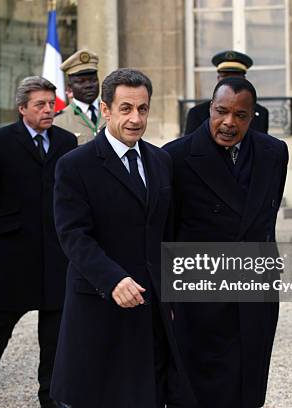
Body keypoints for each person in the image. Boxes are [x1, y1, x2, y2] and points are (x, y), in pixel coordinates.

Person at [50, 68, 193, 408]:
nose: (135, 118)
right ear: (106, 109)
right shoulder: (75, 165)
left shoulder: (161, 161)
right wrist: (113, 280)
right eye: (126, 108)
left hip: (151, 309)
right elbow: (73, 236)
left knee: (150, 394)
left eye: (142, 109)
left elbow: (166, 233)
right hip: (100, 306)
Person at [163, 77, 288, 408]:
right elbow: (166, 231)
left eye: (240, 115)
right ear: (209, 109)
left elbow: (267, 217)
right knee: (197, 387)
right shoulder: (175, 157)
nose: (229, 123)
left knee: (249, 380)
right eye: (221, 112)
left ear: (252, 117)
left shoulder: (274, 152)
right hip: (199, 291)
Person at [0, 76, 76, 408]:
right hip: (16, 248)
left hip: (56, 249)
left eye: (50, 104)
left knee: (54, 331)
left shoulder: (66, 141)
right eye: (39, 104)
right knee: (3, 320)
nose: (47, 110)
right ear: (22, 108)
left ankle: (49, 395)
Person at [184, 50, 269, 135]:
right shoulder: (197, 113)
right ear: (218, 79)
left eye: (236, 77)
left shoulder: (261, 113)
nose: (230, 81)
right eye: (225, 76)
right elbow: (190, 146)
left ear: (244, 79)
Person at [54, 49, 105, 144]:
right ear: (70, 87)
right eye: (81, 81)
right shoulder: (58, 122)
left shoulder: (113, 113)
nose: (89, 85)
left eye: (93, 80)